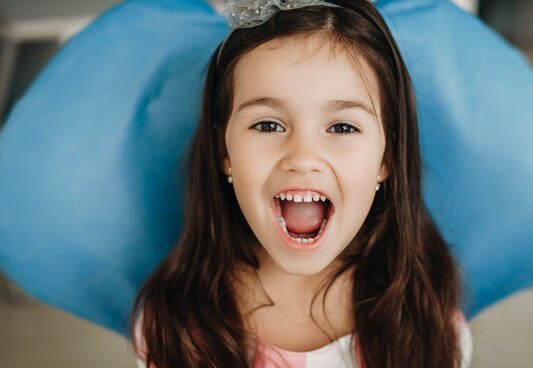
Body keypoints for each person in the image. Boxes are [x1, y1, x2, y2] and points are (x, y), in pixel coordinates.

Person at [131, 0, 472, 366]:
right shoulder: (173, 328)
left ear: (386, 159)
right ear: (223, 152)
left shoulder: (430, 330)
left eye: (342, 127)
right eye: (267, 125)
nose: (303, 158)